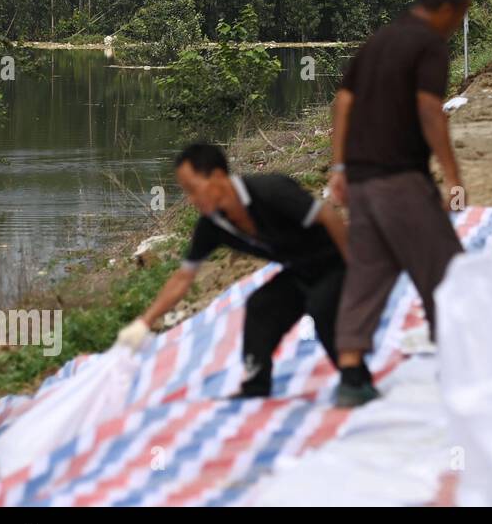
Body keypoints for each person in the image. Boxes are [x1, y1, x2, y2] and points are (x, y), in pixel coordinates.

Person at [328, 0, 471, 407]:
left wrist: (338, 168)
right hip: (398, 180)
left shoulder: (379, 40)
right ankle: (465, 365)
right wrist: (453, 176)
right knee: (445, 266)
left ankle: (351, 373)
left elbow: (343, 102)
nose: (457, 26)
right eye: (459, 16)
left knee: (368, 273)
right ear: (445, 10)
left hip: (362, 180)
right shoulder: (429, 45)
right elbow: (429, 109)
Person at [115, 143, 349, 398]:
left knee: (321, 305)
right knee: (261, 306)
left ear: (217, 176)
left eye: (193, 190)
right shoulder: (213, 225)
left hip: (334, 263)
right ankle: (255, 384)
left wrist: (356, 269)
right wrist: (144, 323)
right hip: (298, 271)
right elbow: (184, 277)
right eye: (187, 193)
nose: (191, 200)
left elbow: (329, 217)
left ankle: (354, 378)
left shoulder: (269, 190)